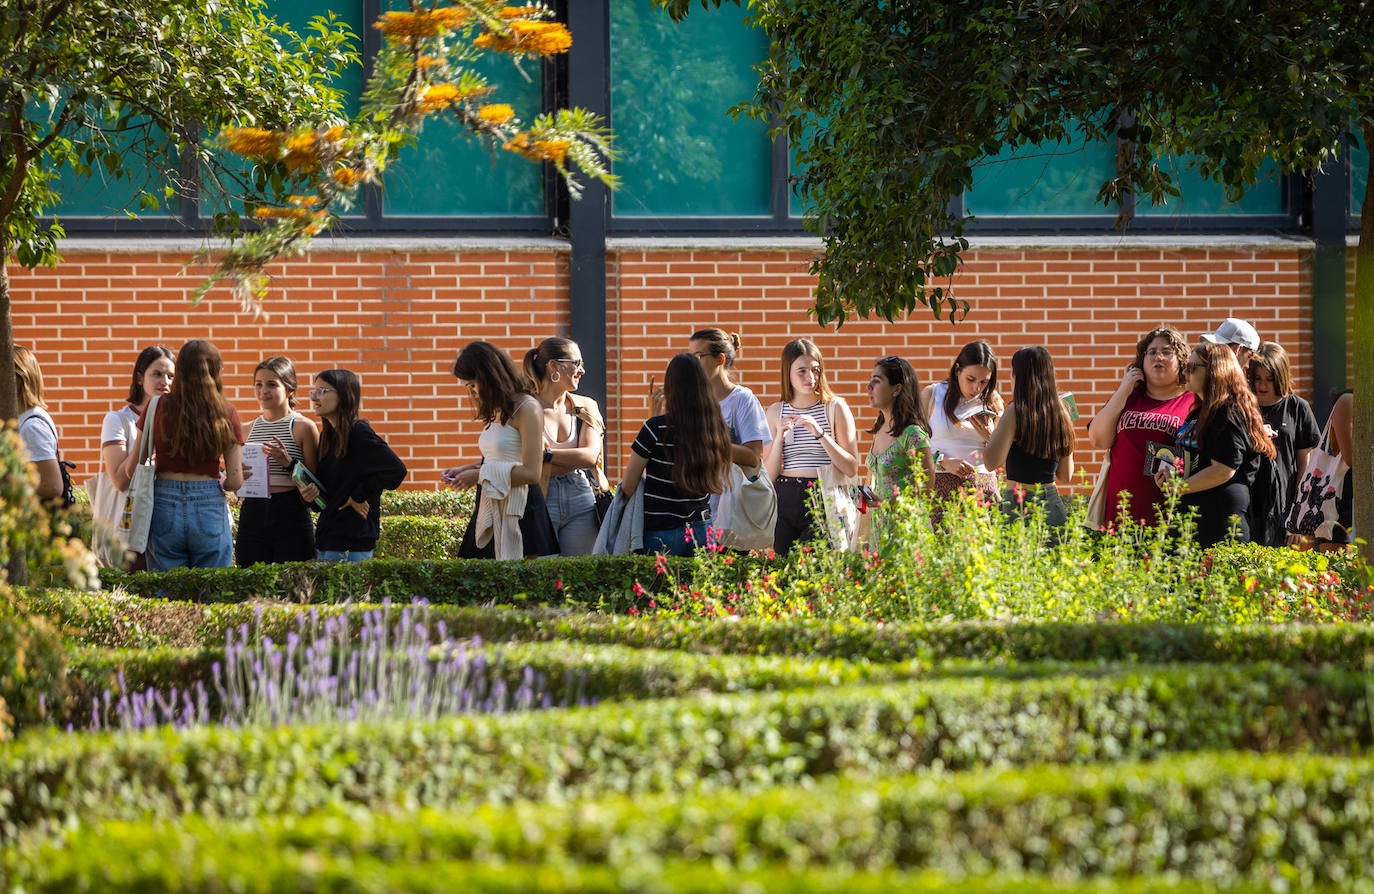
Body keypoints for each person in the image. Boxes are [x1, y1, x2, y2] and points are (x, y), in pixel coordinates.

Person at [122, 339, 244, 570]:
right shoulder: (226, 412)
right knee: (213, 588)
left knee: (167, 590)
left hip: (164, 502)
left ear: (179, 371)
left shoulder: (157, 406)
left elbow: (131, 469)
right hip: (209, 503)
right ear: (216, 371)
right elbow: (235, 481)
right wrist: (226, 481)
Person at [1155, 341, 1275, 547]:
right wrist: (1169, 475)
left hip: (1220, 524)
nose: (1186, 371)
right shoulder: (1198, 412)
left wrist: (1179, 487)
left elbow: (1223, 469)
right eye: (1186, 366)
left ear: (1214, 371)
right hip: (1192, 521)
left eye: (1192, 367)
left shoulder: (1228, 411)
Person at [446, 342, 557, 559]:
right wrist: (465, 470)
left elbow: (532, 472)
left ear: (488, 377)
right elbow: (500, 458)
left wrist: (477, 475)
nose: (473, 392)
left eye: (472, 385)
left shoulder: (528, 408)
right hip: (490, 504)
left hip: (521, 510)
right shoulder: (497, 409)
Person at [620, 353, 733, 555]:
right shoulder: (715, 428)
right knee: (696, 586)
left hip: (659, 530)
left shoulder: (655, 427)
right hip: (701, 529)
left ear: (671, 387)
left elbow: (628, 485)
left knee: (657, 587)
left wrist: (652, 418)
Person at [1086, 326, 1196, 527]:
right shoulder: (1128, 398)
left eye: (1166, 351)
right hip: (1121, 513)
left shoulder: (1193, 401)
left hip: (1168, 515)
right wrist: (1124, 388)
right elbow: (1098, 439)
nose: (1158, 357)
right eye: (1152, 352)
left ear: (1181, 360)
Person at [296, 369, 407, 563]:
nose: (315, 397)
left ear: (344, 395)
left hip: (352, 539)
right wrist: (310, 495)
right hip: (327, 538)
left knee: (347, 594)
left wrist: (359, 495)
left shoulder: (359, 432)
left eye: (323, 390)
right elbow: (330, 490)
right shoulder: (327, 436)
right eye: (314, 391)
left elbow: (396, 470)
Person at [763, 338, 860, 553]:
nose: (811, 377)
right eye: (802, 371)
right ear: (787, 372)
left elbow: (851, 467)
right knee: (783, 571)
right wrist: (779, 437)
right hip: (785, 494)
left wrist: (820, 433)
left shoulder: (834, 407)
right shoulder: (775, 411)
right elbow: (768, 475)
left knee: (817, 570)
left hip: (822, 494)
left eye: (816, 370)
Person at [526, 337, 607, 557]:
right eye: (576, 363)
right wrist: (570, 460)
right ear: (553, 366)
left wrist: (545, 456)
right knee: (541, 577)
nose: (582, 370)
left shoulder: (586, 406)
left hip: (580, 495)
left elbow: (590, 456)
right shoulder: (523, 409)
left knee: (582, 576)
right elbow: (519, 461)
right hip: (539, 496)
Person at [236, 356, 320, 565]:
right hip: (253, 510)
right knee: (250, 581)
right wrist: (238, 475)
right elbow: (234, 478)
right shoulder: (246, 429)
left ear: (289, 389)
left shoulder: (303, 427)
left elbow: (315, 479)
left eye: (272, 384)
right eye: (258, 384)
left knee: (294, 585)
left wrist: (288, 462)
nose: (263, 391)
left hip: (291, 510)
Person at [97, 345, 175, 570]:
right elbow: (120, 481)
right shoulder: (118, 420)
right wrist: (147, 436)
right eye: (157, 374)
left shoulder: (178, 421)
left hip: (169, 527)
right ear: (140, 378)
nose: (165, 382)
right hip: (131, 527)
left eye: (170, 376)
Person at [984, 346, 1076, 526]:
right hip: (1052, 505)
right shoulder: (1064, 411)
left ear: (1017, 377)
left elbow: (991, 462)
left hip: (1019, 505)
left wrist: (992, 432)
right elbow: (1065, 475)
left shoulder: (1014, 411)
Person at [689, 327, 773, 518]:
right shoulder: (692, 400)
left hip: (730, 512)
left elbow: (753, 456)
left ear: (720, 359)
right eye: (689, 358)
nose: (691, 364)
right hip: (693, 512)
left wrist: (708, 442)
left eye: (698, 356)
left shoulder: (742, 400)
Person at [1245, 342, 1320, 547]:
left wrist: (1298, 516)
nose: (1262, 386)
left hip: (1285, 507)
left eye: (1269, 379)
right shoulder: (1243, 407)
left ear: (1281, 376)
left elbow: (1305, 467)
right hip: (1249, 505)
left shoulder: (1297, 407)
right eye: (1257, 378)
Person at [920, 340, 1004, 507]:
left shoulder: (993, 401)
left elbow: (1001, 458)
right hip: (939, 485)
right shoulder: (932, 394)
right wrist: (943, 461)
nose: (977, 388)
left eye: (984, 382)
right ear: (957, 370)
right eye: (971, 379)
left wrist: (991, 437)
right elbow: (911, 447)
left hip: (982, 487)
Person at [865, 355, 935, 498]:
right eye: (871, 379)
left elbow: (926, 491)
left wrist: (884, 503)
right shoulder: (879, 428)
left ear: (896, 389)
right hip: (878, 519)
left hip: (905, 520)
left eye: (877, 381)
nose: (869, 386)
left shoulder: (913, 434)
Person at [14, 345, 72, 505]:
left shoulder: (32, 425)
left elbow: (53, 485)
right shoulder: (25, 418)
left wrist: (9, 490)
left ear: (18, 379)